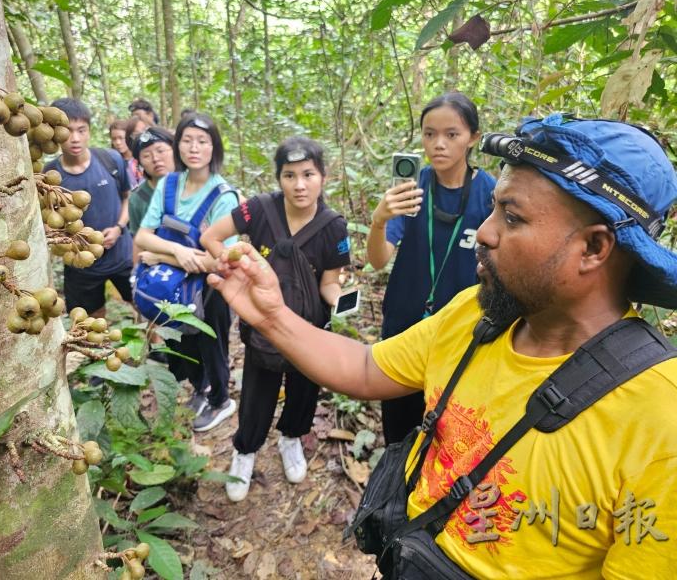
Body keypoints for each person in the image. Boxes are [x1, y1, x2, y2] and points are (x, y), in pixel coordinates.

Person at [207, 114, 677, 578]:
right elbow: (367, 368)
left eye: (512, 218)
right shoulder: (475, 314)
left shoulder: (658, 419)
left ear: (594, 249)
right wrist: (272, 315)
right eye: (493, 209)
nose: (486, 232)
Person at [201, 137, 351, 502]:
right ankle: (245, 451)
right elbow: (211, 237)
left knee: (303, 392)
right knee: (256, 393)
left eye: (308, 174)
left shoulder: (333, 226)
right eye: (289, 175)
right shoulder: (258, 210)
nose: (299, 185)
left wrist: (344, 301)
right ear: (279, 178)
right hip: (263, 327)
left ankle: (291, 439)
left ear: (323, 177)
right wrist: (231, 264)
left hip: (308, 331)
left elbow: (329, 283)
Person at [367, 92, 495, 445]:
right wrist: (379, 220)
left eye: (451, 134)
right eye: (429, 134)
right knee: (398, 425)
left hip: (461, 332)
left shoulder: (490, 194)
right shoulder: (411, 189)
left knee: (448, 429)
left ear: (473, 138)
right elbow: (379, 260)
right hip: (404, 327)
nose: (438, 144)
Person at [135, 113, 238, 432]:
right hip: (174, 291)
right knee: (184, 343)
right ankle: (200, 389)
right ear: (177, 144)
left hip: (210, 290)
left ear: (214, 148)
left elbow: (221, 260)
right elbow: (142, 235)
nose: (194, 148)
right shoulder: (168, 184)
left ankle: (222, 400)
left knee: (212, 345)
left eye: (203, 141)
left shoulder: (223, 195)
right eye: (187, 140)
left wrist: (161, 255)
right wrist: (179, 251)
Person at [45, 98, 132, 317]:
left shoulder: (110, 160)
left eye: (81, 130)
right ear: (56, 133)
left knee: (145, 306)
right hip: (81, 266)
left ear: (89, 131)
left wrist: (119, 228)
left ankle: (155, 350)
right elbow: (48, 220)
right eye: (68, 131)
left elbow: (127, 198)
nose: (75, 138)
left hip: (121, 256)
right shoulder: (49, 176)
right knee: (90, 321)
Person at [129, 126, 176, 267]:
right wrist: (135, 274)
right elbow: (138, 240)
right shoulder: (138, 198)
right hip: (159, 271)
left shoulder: (195, 182)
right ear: (140, 163)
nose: (155, 159)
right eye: (146, 156)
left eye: (161, 151)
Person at [109, 118, 144, 190]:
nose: (118, 143)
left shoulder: (142, 158)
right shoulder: (111, 163)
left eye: (121, 138)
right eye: (114, 139)